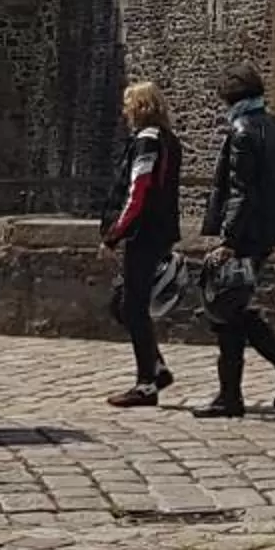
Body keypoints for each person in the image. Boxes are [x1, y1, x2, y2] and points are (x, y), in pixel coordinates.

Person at [191, 65, 275, 419]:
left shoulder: (241, 131)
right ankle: (266, 374)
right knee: (233, 308)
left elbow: (241, 191)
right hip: (266, 232)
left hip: (246, 234)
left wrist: (228, 239)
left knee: (227, 310)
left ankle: (253, 383)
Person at [100, 80, 184, 408]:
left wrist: (114, 234)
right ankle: (156, 367)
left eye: (127, 105)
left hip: (145, 233)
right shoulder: (168, 140)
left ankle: (146, 383)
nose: (124, 112)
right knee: (126, 305)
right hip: (157, 231)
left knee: (132, 306)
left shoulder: (148, 141)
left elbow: (139, 191)